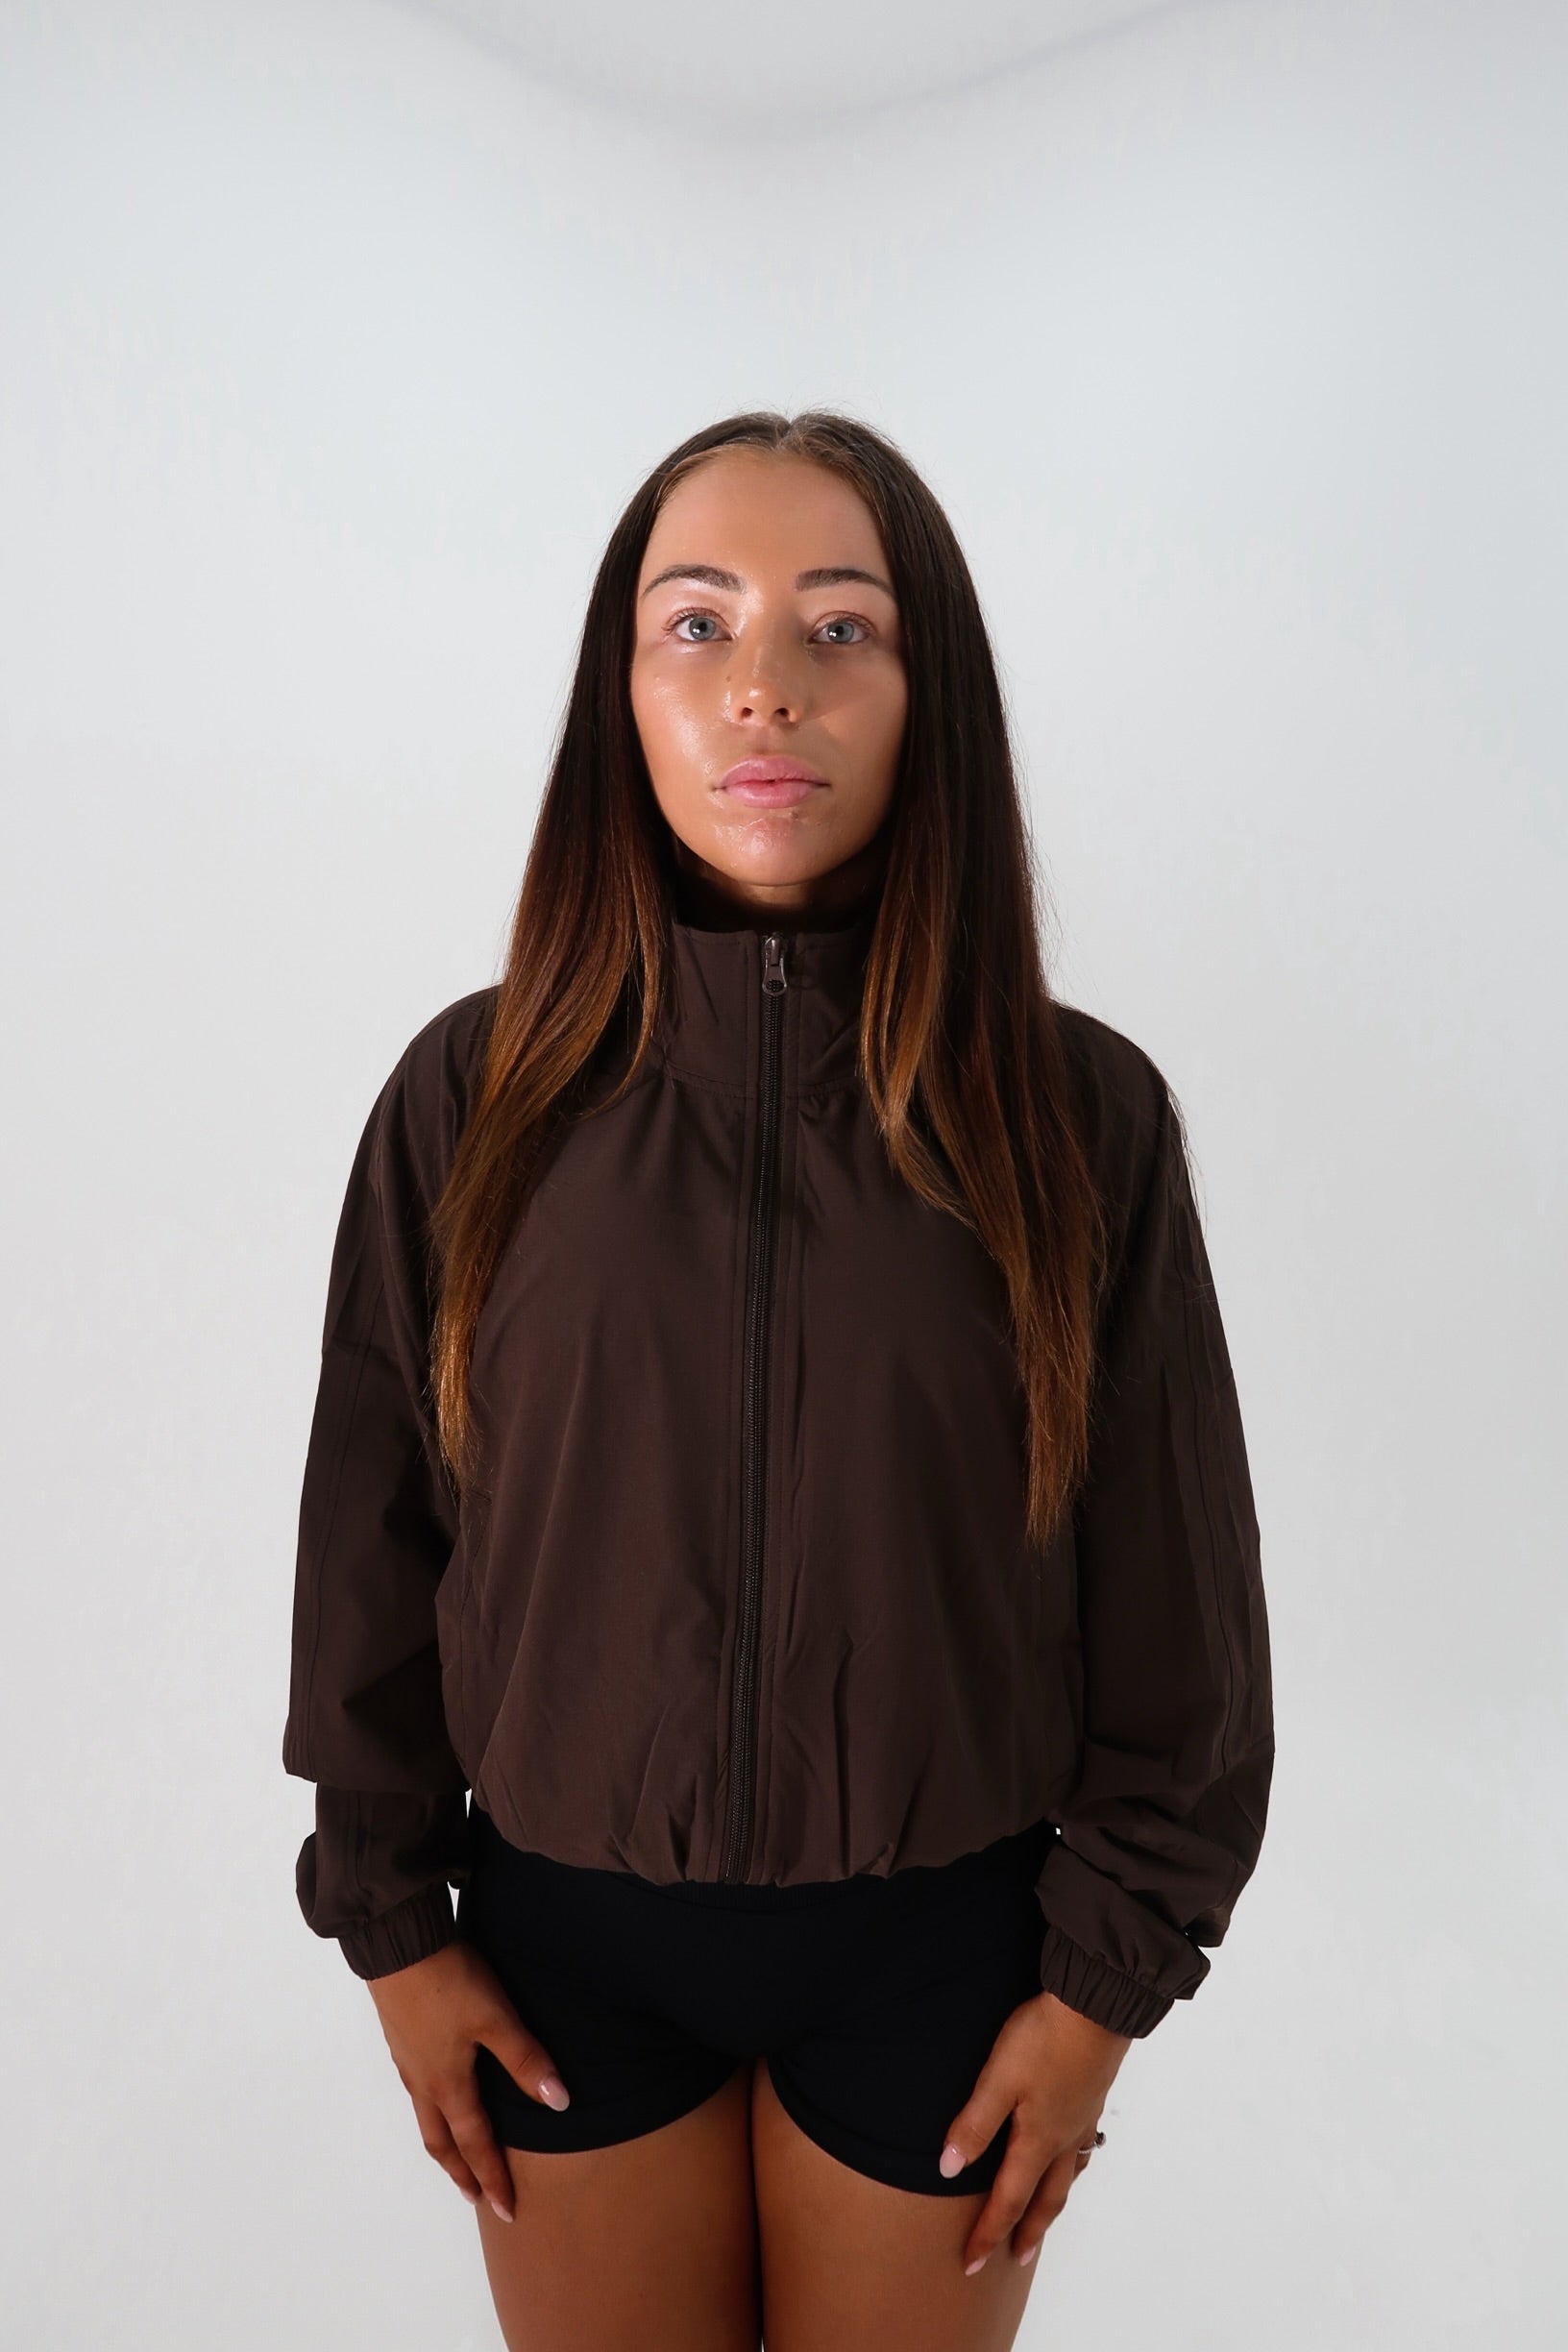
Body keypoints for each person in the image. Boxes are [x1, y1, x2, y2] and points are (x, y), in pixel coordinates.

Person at [281, 408, 1274, 2352]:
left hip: (950, 1957)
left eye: (839, 627)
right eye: (697, 622)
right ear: (622, 693)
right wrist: (392, 1930)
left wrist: (1101, 1994)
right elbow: (372, 1534)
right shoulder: (474, 1097)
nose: (764, 684)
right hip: (563, 1948)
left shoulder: (1076, 1116)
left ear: (927, 696)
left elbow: (1180, 1601)